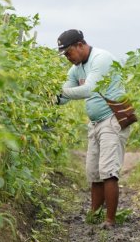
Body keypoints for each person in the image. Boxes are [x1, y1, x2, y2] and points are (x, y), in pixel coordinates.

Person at [55, 29, 132, 228]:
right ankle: (95, 216)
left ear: (80, 45)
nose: (67, 58)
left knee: (108, 170)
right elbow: (63, 97)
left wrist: (60, 91)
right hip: (96, 122)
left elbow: (88, 89)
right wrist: (47, 95)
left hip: (114, 116)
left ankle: (110, 220)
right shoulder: (76, 69)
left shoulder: (101, 59)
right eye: (64, 55)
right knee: (94, 172)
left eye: (68, 52)